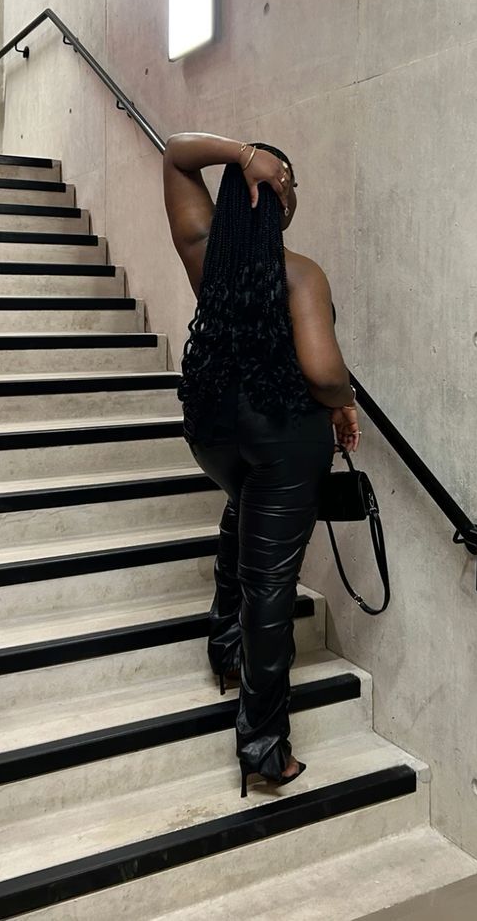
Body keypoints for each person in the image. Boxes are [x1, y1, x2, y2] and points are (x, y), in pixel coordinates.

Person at [163, 132, 360, 797]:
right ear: (281, 194)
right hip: (283, 440)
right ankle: (264, 747)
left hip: (215, 433)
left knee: (240, 513)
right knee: (271, 582)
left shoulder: (205, 257)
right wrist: (344, 401)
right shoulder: (299, 273)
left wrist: (234, 156)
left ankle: (223, 649)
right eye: (290, 180)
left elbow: (175, 153)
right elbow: (323, 371)